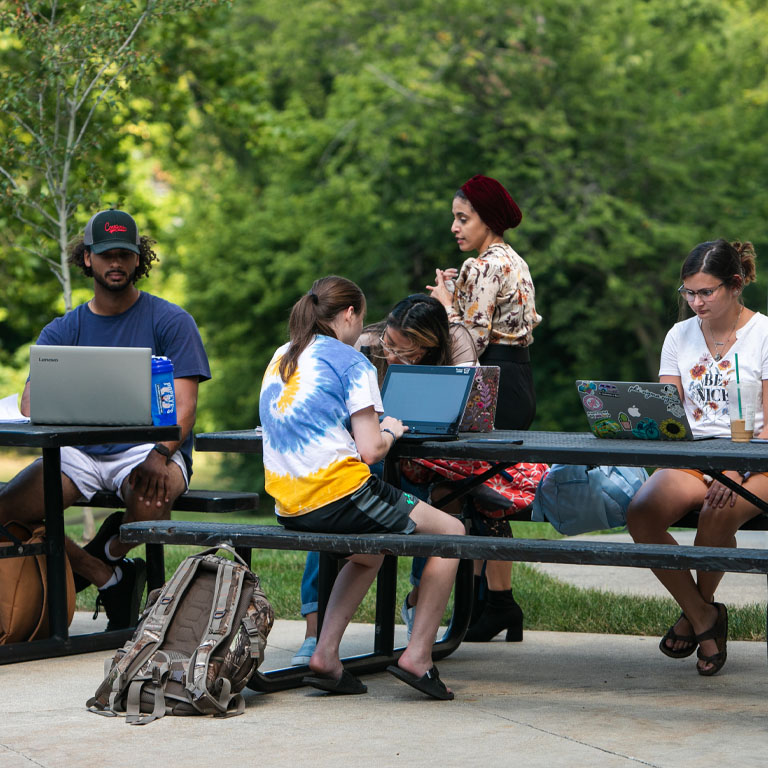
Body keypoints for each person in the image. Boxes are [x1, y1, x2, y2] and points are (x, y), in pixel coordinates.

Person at [0, 209, 210, 631]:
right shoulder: (64, 329)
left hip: (150, 450)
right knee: (5, 513)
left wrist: (158, 455)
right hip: (80, 452)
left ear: (138, 261)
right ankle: (107, 575)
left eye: (125, 255)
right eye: (106, 255)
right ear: (87, 259)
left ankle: (114, 548)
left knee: (149, 501)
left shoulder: (171, 321)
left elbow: (185, 410)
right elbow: (28, 403)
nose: (116, 263)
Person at [260, 277, 464, 699]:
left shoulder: (283, 355)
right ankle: (418, 656)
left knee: (369, 552)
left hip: (287, 504)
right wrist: (391, 429)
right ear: (349, 315)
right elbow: (371, 451)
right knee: (452, 534)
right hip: (338, 495)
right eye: (362, 316)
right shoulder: (352, 362)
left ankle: (325, 656)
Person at [626, 239, 768, 676]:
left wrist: (731, 464)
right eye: (688, 292)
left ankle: (695, 618)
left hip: (756, 455)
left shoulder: (763, 333)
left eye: (706, 292)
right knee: (642, 513)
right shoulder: (679, 334)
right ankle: (704, 614)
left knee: (717, 511)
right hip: (694, 455)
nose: (696, 302)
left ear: (735, 285)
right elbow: (672, 412)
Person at [426, 173, 542, 642]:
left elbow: (468, 343)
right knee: (481, 491)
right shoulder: (515, 261)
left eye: (462, 218)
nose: (455, 227)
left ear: (487, 219)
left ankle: (483, 605)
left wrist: (443, 304)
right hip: (517, 379)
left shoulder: (481, 266)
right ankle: (492, 605)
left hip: (488, 382)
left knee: (466, 489)